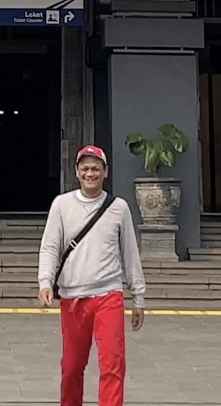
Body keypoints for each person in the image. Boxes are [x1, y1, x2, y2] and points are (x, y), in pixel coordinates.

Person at [36, 145, 145, 406]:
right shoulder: (62, 205)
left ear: (105, 172)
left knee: (112, 366)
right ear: (76, 172)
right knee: (71, 367)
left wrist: (138, 297)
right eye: (84, 168)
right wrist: (45, 281)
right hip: (73, 297)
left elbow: (130, 253)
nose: (90, 173)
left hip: (108, 295)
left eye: (96, 168)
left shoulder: (119, 208)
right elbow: (50, 246)